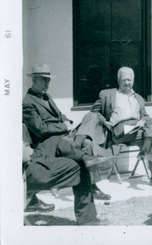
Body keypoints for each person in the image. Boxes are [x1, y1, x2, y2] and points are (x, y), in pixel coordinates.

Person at [22, 64, 110, 202]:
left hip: (65, 135)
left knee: (92, 116)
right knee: (87, 144)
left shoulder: (46, 97)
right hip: (50, 142)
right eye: (44, 80)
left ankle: (77, 145)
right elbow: (40, 129)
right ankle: (92, 186)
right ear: (34, 80)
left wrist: (67, 121)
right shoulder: (27, 103)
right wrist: (64, 126)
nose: (48, 83)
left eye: (49, 80)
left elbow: (59, 115)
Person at [75, 67, 152, 189]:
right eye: (124, 80)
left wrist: (142, 120)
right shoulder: (107, 94)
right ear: (118, 80)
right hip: (119, 130)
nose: (127, 83)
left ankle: (151, 168)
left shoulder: (139, 98)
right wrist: (105, 122)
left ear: (133, 81)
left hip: (138, 130)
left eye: (129, 80)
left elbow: (145, 116)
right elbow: (94, 112)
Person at [23, 124, 115, 225]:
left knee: (55, 140)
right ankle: (88, 220)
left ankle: (87, 158)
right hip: (25, 165)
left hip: (32, 153)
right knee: (79, 166)